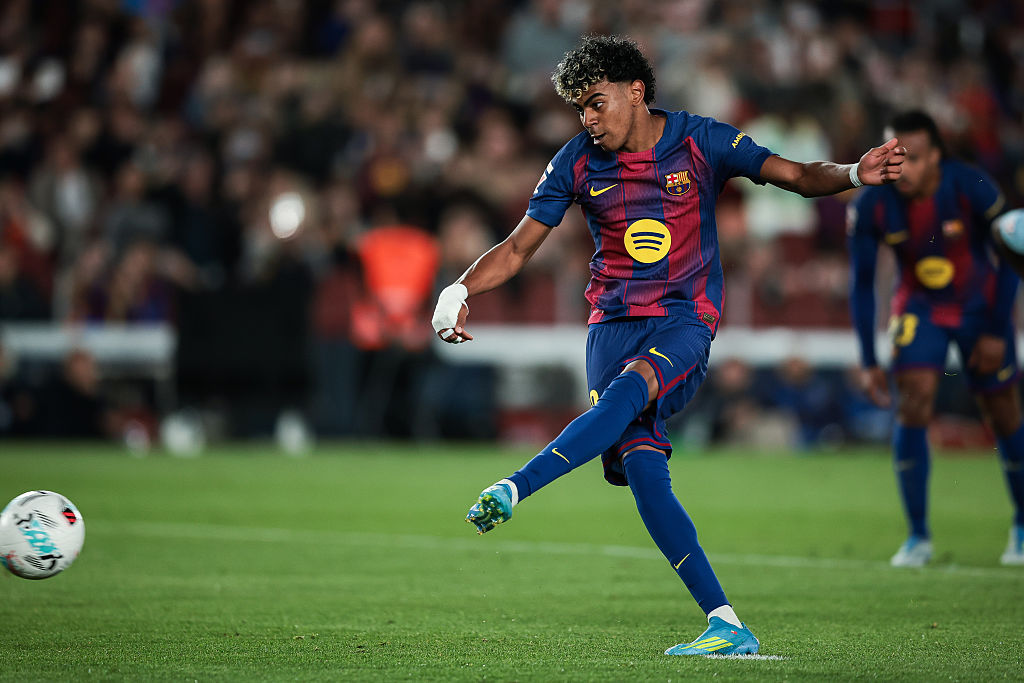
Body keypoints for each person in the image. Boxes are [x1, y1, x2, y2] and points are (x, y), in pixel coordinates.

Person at [431, 35, 905, 656]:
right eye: (580, 110)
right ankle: (726, 622)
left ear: (636, 91)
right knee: (645, 470)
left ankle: (515, 487)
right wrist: (458, 290)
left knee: (631, 396)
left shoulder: (700, 140)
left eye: (596, 104)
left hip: (683, 319)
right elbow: (519, 247)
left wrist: (850, 173)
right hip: (610, 327)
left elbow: (791, 174)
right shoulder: (575, 161)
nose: (588, 119)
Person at [848, 110, 1024, 568]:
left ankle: (1023, 525)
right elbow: (862, 283)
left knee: (1003, 411)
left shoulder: (972, 186)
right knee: (915, 399)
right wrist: (868, 359)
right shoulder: (872, 204)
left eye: (915, 158)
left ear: (937, 159)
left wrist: (996, 329)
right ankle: (918, 536)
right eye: (893, 157)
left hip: (979, 305)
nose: (902, 169)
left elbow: (1010, 254)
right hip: (920, 306)